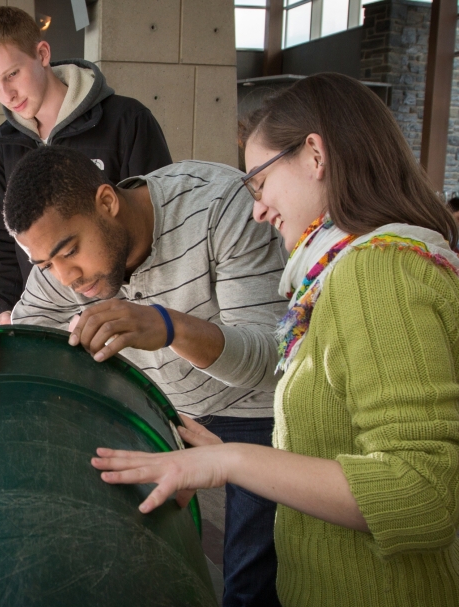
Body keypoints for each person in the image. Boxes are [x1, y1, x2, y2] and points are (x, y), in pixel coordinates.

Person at [92, 73, 459, 606]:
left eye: (259, 183)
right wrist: (224, 451)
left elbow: (422, 494)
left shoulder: (378, 271)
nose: (258, 210)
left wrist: (230, 463)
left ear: (315, 154)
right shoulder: (341, 272)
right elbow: (343, 445)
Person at [3, 145, 287, 606]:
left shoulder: (219, 205)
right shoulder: (60, 272)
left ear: (107, 202)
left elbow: (271, 360)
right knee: (129, 553)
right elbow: (25, 340)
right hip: (160, 409)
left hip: (250, 410)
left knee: (253, 582)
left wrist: (168, 325)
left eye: (69, 251)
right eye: (45, 265)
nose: (66, 277)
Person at [0, 6, 173, 324]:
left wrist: (145, 319)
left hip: (125, 323)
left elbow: (160, 223)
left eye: (12, 74)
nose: (7, 94)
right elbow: (0, 242)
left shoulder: (127, 121)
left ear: (42, 54)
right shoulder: (7, 147)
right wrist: (4, 310)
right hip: (43, 325)